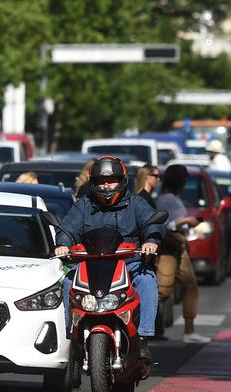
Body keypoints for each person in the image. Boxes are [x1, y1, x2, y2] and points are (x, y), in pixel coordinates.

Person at [54, 156, 163, 374]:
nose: (106, 185)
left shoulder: (136, 203)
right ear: (93, 182)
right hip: (90, 265)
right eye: (102, 181)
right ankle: (73, 338)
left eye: (112, 180)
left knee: (147, 278)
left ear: (122, 180)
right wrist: (63, 245)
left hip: (128, 264)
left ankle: (142, 338)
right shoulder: (84, 204)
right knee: (67, 282)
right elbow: (67, 229)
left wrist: (151, 240)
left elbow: (154, 223)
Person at [155, 164, 212, 344]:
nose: (186, 183)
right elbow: (166, 226)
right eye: (184, 179)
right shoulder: (167, 200)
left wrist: (189, 226)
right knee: (162, 291)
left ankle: (189, 330)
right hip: (169, 249)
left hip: (178, 247)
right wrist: (187, 221)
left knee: (190, 286)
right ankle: (146, 329)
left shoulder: (172, 199)